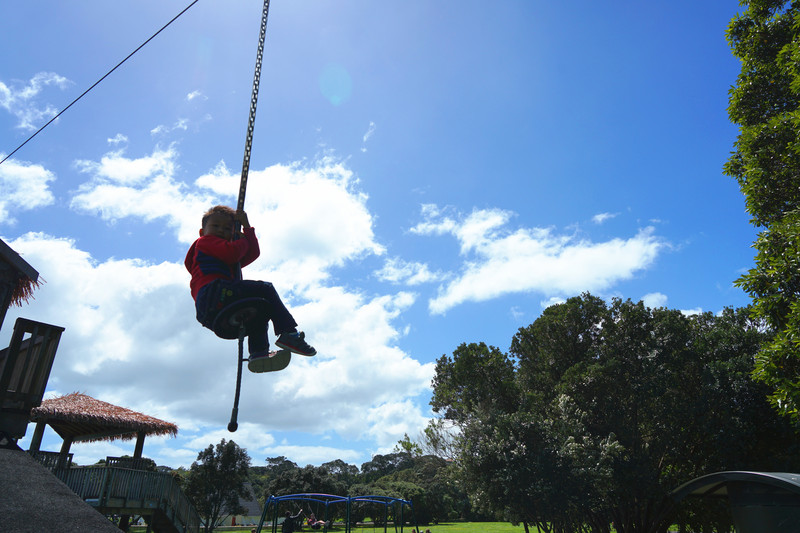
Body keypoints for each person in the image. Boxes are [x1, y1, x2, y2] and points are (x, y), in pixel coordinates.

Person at [185, 205, 316, 361]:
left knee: (260, 308)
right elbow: (233, 253)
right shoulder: (205, 242)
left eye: (227, 229)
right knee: (265, 289)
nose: (221, 230)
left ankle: (259, 353)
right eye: (215, 226)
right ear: (202, 231)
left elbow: (252, 253)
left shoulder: (224, 253)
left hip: (213, 308)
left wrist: (247, 229)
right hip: (213, 293)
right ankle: (289, 333)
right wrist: (240, 241)